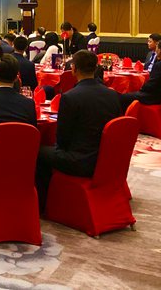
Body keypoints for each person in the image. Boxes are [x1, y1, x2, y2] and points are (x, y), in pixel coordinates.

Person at [36, 50, 123, 207]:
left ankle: (46, 203)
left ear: (74, 68)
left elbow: (62, 139)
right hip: (107, 159)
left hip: (81, 161)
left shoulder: (71, 97)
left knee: (37, 151)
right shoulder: (113, 95)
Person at [120, 39, 161, 110]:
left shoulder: (159, 65)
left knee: (123, 97)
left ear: (160, 50)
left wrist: (140, 88)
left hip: (155, 98)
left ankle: (126, 115)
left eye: (157, 48)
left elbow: (151, 85)